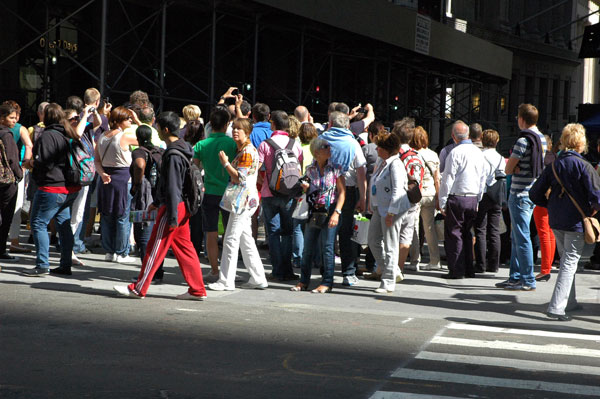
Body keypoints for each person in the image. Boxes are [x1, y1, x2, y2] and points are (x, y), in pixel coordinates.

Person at [113, 111, 207, 300]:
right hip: (181, 206)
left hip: (173, 206)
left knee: (154, 247)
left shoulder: (172, 154)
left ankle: (139, 288)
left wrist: (169, 213)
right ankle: (197, 290)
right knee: (185, 248)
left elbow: (173, 186)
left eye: (158, 127)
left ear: (165, 129)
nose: (157, 130)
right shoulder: (183, 149)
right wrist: (157, 202)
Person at [530, 123, 600, 321]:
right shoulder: (583, 165)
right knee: (569, 263)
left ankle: (570, 301)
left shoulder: (554, 165)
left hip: (556, 220)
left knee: (567, 262)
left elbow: (534, 193)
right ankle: (556, 307)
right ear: (580, 143)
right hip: (576, 221)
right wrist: (592, 210)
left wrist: (550, 204)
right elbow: (597, 196)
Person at [208, 118, 268, 291]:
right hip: (246, 200)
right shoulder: (245, 150)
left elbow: (239, 178)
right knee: (245, 239)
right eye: (234, 128)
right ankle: (258, 278)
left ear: (247, 132)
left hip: (242, 201)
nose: (235, 131)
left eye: (239, 129)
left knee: (231, 239)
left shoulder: (247, 151)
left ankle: (226, 281)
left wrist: (226, 163)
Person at [21, 103, 79, 276]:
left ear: (45, 117)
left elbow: (45, 161)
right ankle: (65, 264)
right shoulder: (69, 133)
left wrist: (30, 163)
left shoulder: (48, 135)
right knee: (64, 224)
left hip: (52, 187)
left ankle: (42, 264)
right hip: (70, 187)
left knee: (38, 223)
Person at [496, 104, 547, 291]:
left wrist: (514, 167)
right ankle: (516, 276)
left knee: (521, 236)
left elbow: (508, 169)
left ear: (522, 119)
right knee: (519, 236)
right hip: (532, 192)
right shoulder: (541, 139)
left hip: (519, 193)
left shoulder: (522, 141)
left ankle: (526, 279)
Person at [291, 137, 345, 293]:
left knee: (328, 247)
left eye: (329, 146)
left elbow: (342, 193)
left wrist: (337, 212)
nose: (329, 148)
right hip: (314, 211)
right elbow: (308, 192)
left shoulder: (336, 168)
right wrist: (305, 187)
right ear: (316, 152)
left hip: (331, 210)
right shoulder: (310, 170)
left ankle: (327, 282)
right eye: (325, 146)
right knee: (308, 247)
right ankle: (303, 281)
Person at [320, 111, 367, 286]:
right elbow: (361, 174)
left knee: (327, 234)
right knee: (347, 234)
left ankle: (327, 273)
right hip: (347, 191)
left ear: (330, 123)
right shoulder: (353, 143)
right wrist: (363, 198)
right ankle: (348, 273)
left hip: (324, 190)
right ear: (348, 126)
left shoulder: (322, 139)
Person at [193, 107, 237, 282]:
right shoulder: (232, 144)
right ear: (227, 125)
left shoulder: (201, 144)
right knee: (229, 233)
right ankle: (228, 270)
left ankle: (213, 269)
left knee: (210, 232)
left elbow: (195, 169)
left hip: (209, 192)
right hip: (229, 192)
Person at [438, 120, 486, 279]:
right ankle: (468, 268)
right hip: (472, 197)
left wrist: (443, 201)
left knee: (454, 234)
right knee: (467, 233)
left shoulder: (455, 152)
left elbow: (447, 178)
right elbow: (482, 178)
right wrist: (478, 199)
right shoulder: (478, 152)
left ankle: (456, 270)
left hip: (457, 197)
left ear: (453, 136)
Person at [368, 131, 411, 293]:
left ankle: (388, 281)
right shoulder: (382, 162)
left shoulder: (396, 164)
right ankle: (393, 270)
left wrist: (391, 213)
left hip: (393, 209)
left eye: (380, 146)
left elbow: (398, 190)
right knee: (372, 240)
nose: (377, 149)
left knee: (390, 245)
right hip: (380, 208)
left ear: (387, 149)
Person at [95, 106, 139, 264]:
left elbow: (97, 161)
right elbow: (146, 138)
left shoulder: (102, 137)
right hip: (123, 179)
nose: (130, 121)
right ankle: (122, 252)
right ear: (120, 121)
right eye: (128, 118)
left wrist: (101, 174)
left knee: (107, 215)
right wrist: (139, 121)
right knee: (123, 216)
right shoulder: (124, 137)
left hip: (106, 179)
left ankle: (109, 251)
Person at [130, 124, 165, 282]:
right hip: (160, 197)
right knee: (157, 235)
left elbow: (139, 165)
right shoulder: (159, 151)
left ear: (137, 138)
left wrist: (137, 184)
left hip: (144, 197)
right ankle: (158, 271)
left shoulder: (139, 151)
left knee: (142, 235)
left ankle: (147, 272)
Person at [3, 100, 32, 256]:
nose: (14, 120)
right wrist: (25, 164)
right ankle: (14, 241)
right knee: (15, 207)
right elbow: (29, 145)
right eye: (13, 117)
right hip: (15, 172)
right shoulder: (21, 129)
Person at [409, 126, 441, 270]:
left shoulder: (411, 155)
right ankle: (435, 261)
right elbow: (437, 178)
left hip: (416, 194)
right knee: (429, 228)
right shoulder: (433, 155)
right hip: (430, 194)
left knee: (414, 227)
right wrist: (439, 198)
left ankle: (415, 260)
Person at [474, 129, 505, 274]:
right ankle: (494, 264)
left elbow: (479, 178)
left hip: (484, 194)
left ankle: (480, 264)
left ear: (482, 140)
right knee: (494, 230)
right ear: (497, 141)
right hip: (497, 195)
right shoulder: (500, 158)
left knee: (480, 229)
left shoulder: (480, 156)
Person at [293, 123, 318, 268]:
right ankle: (314, 258)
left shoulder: (297, 148)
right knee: (313, 226)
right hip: (314, 192)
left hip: (300, 191)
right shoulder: (316, 150)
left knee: (297, 227)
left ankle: (298, 258)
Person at [0, 104, 24, 262]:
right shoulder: (7, 135)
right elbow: (12, 159)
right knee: (6, 215)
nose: (14, 121)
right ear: (2, 118)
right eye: (11, 117)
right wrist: (19, 175)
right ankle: (1, 249)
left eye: (15, 118)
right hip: (7, 181)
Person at [532, 134, 557, 282]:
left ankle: (545, 269)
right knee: (550, 233)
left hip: (542, 198)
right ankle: (548, 265)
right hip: (553, 199)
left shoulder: (541, 159)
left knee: (543, 234)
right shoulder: (554, 157)